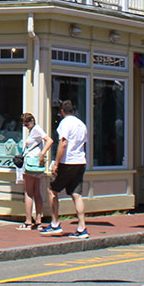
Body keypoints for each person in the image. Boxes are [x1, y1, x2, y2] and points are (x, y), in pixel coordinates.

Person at [43, 99, 88, 239]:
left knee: (52, 189)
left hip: (67, 161)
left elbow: (63, 143)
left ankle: (55, 223)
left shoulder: (65, 123)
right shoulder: (81, 124)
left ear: (62, 112)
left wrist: (56, 162)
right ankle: (82, 227)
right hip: (80, 161)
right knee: (76, 194)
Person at [20, 113, 48, 231]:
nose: (26, 126)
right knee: (36, 192)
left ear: (31, 121)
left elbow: (49, 140)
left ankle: (28, 221)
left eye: (27, 123)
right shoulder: (34, 130)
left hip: (32, 163)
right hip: (37, 164)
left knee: (29, 192)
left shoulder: (36, 129)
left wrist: (42, 154)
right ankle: (38, 220)